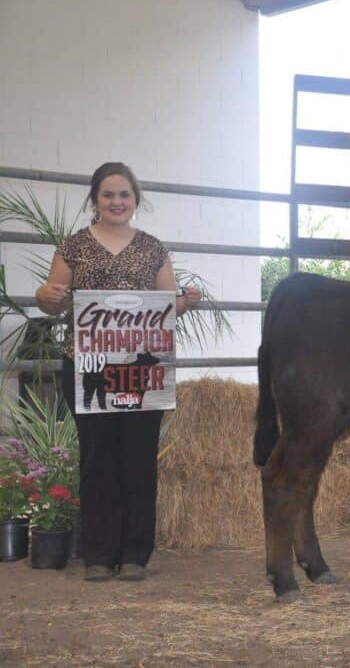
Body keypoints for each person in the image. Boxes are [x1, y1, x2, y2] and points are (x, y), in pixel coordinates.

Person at [35, 162, 201, 582]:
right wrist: (47, 294)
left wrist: (187, 300)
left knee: (139, 459)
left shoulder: (153, 248)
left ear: (135, 199)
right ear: (95, 199)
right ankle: (98, 555)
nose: (116, 202)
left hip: (142, 372)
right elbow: (51, 301)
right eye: (108, 195)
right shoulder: (71, 247)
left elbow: (169, 304)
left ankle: (134, 555)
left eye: (124, 195)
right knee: (97, 459)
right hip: (87, 367)